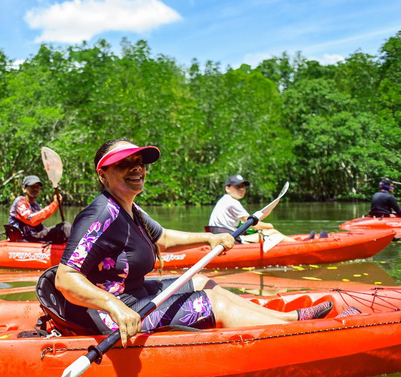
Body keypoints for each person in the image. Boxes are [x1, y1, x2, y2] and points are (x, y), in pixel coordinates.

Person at [53, 138, 333, 346]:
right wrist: (115, 307)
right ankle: (298, 333)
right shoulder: (101, 214)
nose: (137, 168)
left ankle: (288, 320)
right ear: (103, 174)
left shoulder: (130, 208)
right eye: (125, 163)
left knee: (202, 282)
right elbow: (65, 279)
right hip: (112, 314)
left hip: (134, 295)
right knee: (211, 302)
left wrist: (209, 237)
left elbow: (162, 238)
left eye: (140, 162)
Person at [209, 175, 296, 242]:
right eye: (238, 186)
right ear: (227, 188)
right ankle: (299, 245)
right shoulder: (232, 202)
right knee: (272, 233)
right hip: (227, 240)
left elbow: (250, 222)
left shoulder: (224, 200)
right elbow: (251, 223)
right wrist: (269, 226)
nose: (242, 189)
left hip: (222, 236)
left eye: (243, 187)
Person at [8, 174, 71, 244]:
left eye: (37, 187)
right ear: (24, 189)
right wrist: (55, 204)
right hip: (23, 238)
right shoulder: (19, 202)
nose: (35, 189)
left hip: (34, 236)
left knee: (63, 227)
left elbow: (40, 227)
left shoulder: (35, 205)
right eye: (32, 187)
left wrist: (53, 231)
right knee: (65, 226)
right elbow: (32, 220)